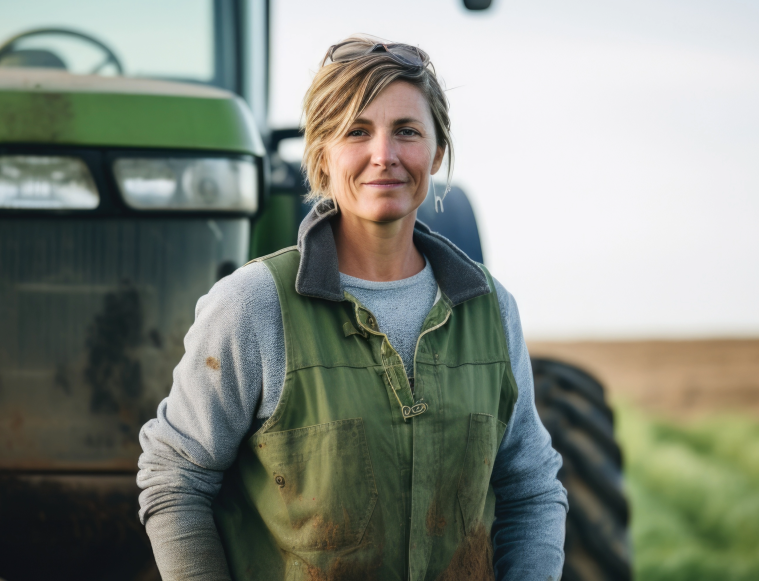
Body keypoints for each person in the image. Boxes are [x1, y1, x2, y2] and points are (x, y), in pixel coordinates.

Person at [137, 35, 567, 581]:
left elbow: (532, 489)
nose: (383, 155)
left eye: (406, 131)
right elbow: (175, 478)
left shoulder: (489, 309)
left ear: (436, 152)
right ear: (321, 153)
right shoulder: (254, 306)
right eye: (356, 131)